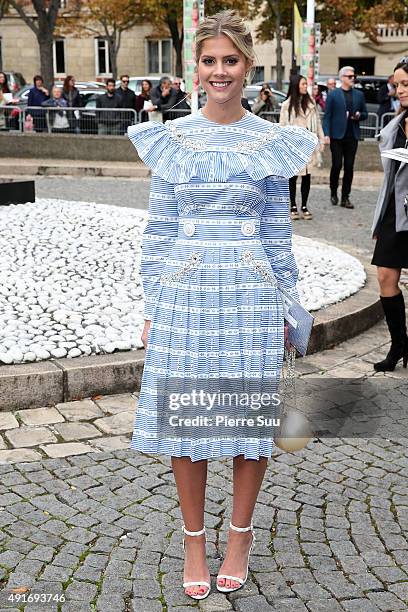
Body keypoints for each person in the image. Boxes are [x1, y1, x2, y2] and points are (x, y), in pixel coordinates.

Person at [128, 9, 317, 601]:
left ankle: (238, 537)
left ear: (247, 66)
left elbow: (275, 230)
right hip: (185, 295)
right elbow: (159, 229)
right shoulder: (171, 140)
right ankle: (192, 540)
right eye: (208, 61)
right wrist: (153, 303)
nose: (218, 71)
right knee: (187, 421)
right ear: (196, 68)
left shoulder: (269, 143)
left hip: (249, 296)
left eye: (228, 60)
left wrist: (289, 305)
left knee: (246, 422)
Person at [371, 57, 408, 372]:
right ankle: (399, 344)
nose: (399, 90)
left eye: (405, 84)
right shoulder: (395, 125)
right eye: (396, 85)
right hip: (395, 211)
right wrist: (379, 219)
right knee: (385, 276)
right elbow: (388, 179)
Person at [280, 73, 325, 220]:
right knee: (292, 177)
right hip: (294, 148)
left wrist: (321, 140)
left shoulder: (311, 103)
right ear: (296, 86)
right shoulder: (287, 106)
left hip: (309, 146)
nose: (306, 87)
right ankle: (292, 205)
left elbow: (317, 122)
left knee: (307, 176)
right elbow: (282, 127)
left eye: (306, 84)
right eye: (303, 84)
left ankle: (304, 205)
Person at [323, 66, 368, 209]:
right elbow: (327, 116)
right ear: (342, 78)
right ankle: (333, 191)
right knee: (337, 165)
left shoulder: (359, 95)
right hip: (337, 136)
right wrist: (326, 134)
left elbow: (365, 113)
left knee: (349, 167)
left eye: (353, 76)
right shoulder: (333, 95)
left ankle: (345, 197)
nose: (352, 78)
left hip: (352, 135)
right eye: (349, 76)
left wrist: (359, 115)